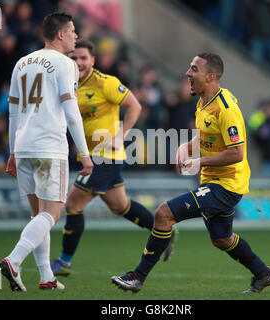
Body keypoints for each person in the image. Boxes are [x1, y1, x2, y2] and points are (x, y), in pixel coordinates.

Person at [111, 53, 270, 294]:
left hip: (227, 184)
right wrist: (185, 147)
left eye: (193, 69)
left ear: (210, 76)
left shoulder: (226, 109)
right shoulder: (203, 101)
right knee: (221, 239)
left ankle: (137, 276)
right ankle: (263, 274)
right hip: (215, 181)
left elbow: (237, 153)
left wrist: (199, 161)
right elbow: (205, 137)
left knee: (163, 213)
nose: (187, 73)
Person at [50, 39, 177, 277]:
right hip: (90, 155)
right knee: (120, 205)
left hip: (105, 157)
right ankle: (163, 230)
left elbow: (135, 106)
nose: (78, 62)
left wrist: (121, 136)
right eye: (74, 58)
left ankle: (64, 262)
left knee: (73, 204)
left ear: (92, 61)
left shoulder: (105, 82)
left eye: (83, 58)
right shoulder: (68, 84)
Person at [0, 12, 93, 292]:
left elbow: (13, 111)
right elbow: (71, 111)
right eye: (73, 30)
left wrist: (13, 152)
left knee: (38, 215)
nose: (76, 35)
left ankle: (46, 278)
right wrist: (85, 153)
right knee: (51, 214)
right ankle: (13, 261)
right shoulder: (66, 64)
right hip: (50, 147)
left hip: (24, 146)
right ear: (60, 34)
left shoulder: (21, 63)